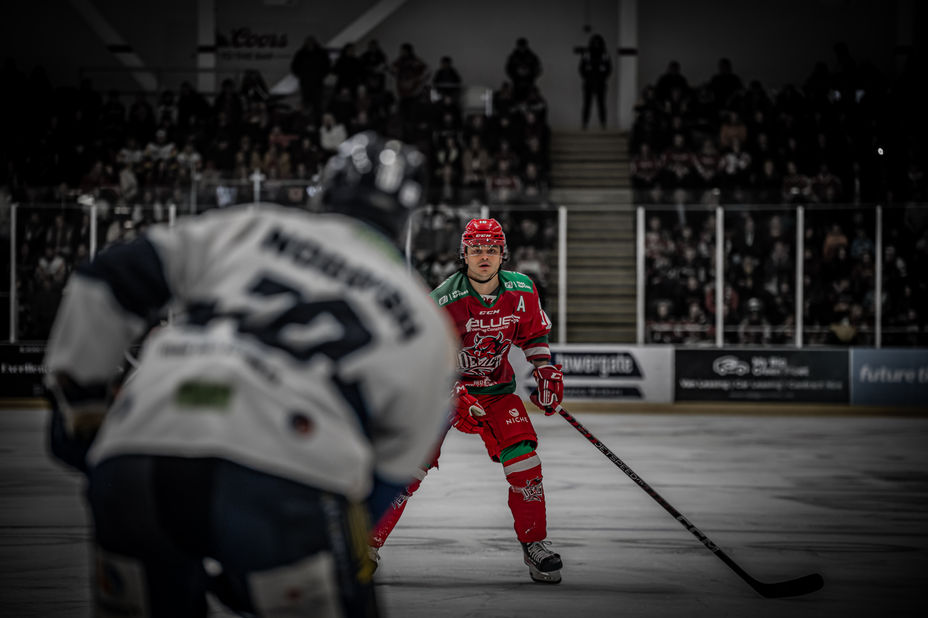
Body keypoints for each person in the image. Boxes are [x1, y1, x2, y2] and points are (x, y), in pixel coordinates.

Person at [42, 132, 458, 617]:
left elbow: (106, 279)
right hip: (284, 480)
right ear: (408, 217)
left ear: (324, 189)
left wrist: (81, 410)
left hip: (139, 451)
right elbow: (389, 472)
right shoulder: (421, 314)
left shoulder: (252, 224)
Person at [369, 217, 566, 584]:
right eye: (476, 249)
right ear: (464, 254)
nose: (484, 256)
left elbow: (533, 335)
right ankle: (366, 545)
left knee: (526, 463)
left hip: (496, 391)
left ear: (503, 253)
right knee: (409, 469)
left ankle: (535, 545)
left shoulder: (522, 290)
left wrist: (544, 369)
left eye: (492, 249)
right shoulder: (444, 298)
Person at [579, 33, 612, 129]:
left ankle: (603, 124)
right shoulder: (587, 54)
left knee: (601, 104)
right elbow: (581, 68)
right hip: (588, 83)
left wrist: (603, 77)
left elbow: (609, 69)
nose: (596, 45)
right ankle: (584, 124)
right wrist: (587, 77)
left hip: (601, 83)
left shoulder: (605, 54)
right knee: (587, 104)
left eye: (598, 43)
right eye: (594, 43)